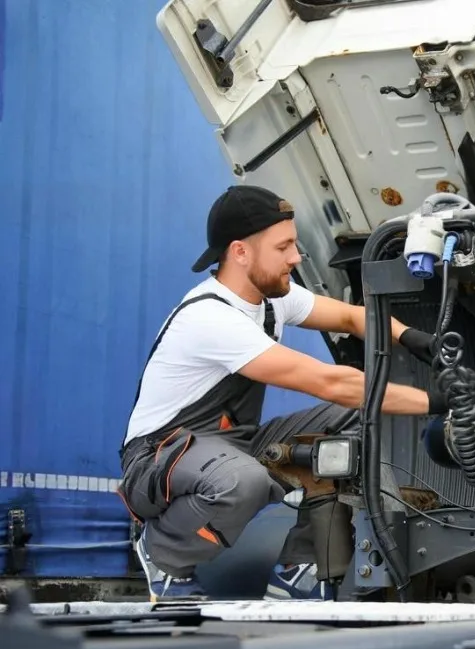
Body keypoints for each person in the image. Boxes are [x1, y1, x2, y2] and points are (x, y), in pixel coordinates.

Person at [118, 184, 445, 603]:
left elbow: (350, 318)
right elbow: (331, 382)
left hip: (229, 445)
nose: (296, 257)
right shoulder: (210, 317)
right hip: (158, 460)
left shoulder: (272, 299)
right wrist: (437, 402)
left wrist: (420, 341)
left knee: (348, 423)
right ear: (240, 252)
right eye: (283, 247)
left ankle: (298, 567)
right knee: (244, 480)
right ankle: (163, 554)